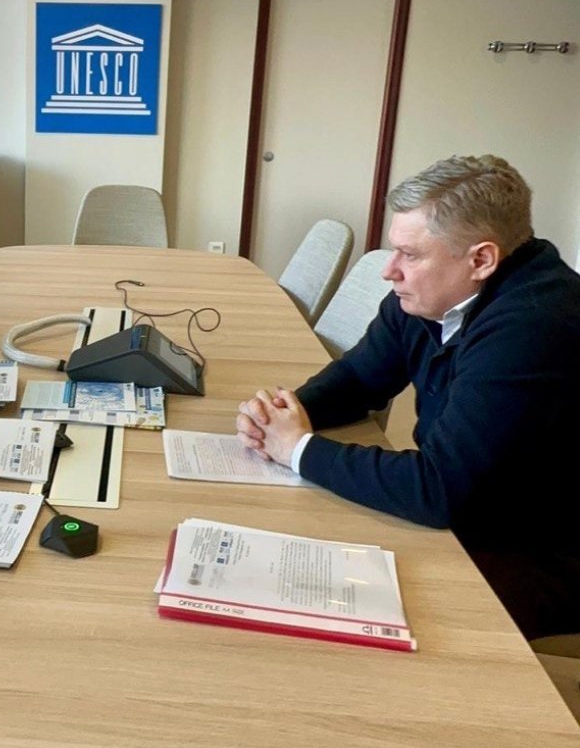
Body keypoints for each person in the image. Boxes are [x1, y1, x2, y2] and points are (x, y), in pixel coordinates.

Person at [237, 155, 580, 640]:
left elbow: (440, 491)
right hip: (473, 512)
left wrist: (297, 449)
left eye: (410, 255)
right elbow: (359, 379)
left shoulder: (535, 325)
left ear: (481, 259)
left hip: (538, 551)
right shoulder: (436, 294)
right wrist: (289, 414)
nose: (389, 271)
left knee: (337, 610)